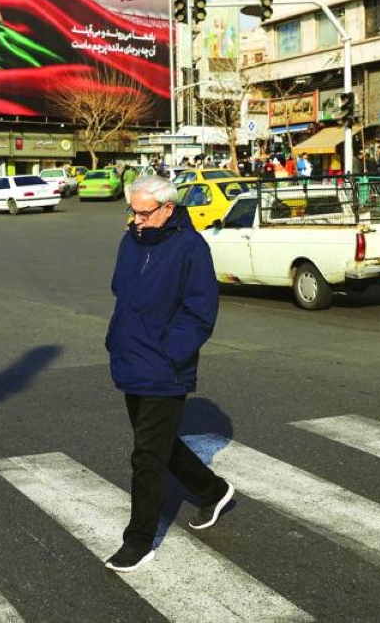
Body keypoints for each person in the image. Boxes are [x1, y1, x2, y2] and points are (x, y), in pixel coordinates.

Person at [103, 174, 231, 573]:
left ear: (167, 208)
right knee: (156, 444)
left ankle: (138, 542)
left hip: (164, 368)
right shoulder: (131, 241)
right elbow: (121, 291)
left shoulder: (191, 247)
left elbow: (200, 311)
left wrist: (169, 352)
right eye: (133, 212)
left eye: (144, 213)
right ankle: (214, 490)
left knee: (146, 456)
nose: (136, 220)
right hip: (130, 360)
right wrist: (117, 339)